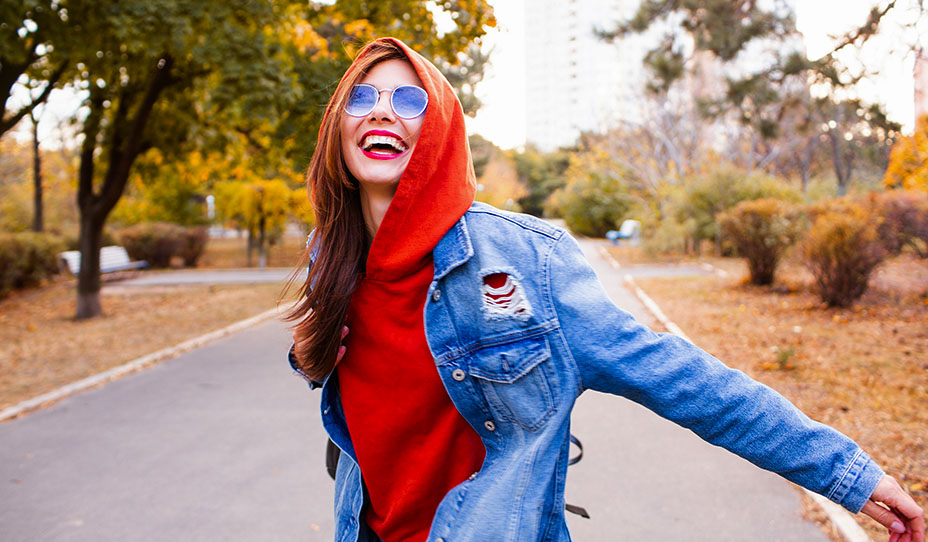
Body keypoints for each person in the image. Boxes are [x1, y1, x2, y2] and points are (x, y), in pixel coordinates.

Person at [285, 37, 925, 542]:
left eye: (410, 100)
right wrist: (310, 353)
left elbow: (687, 381)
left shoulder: (527, 261)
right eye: (362, 97)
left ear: (442, 131)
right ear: (338, 125)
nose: (382, 112)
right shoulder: (332, 260)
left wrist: (845, 473)